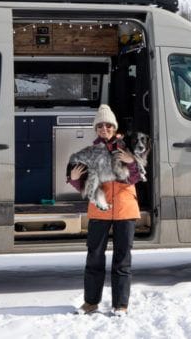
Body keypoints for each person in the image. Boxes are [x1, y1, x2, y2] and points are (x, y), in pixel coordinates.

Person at [67, 103, 141, 316]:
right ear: (96, 129)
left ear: (114, 127)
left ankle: (121, 305)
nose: (104, 129)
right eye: (100, 126)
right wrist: (73, 180)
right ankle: (90, 303)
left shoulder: (127, 148)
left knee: (122, 259)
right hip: (99, 210)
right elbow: (84, 183)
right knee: (94, 258)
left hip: (125, 210)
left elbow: (135, 178)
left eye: (108, 125)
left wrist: (132, 162)